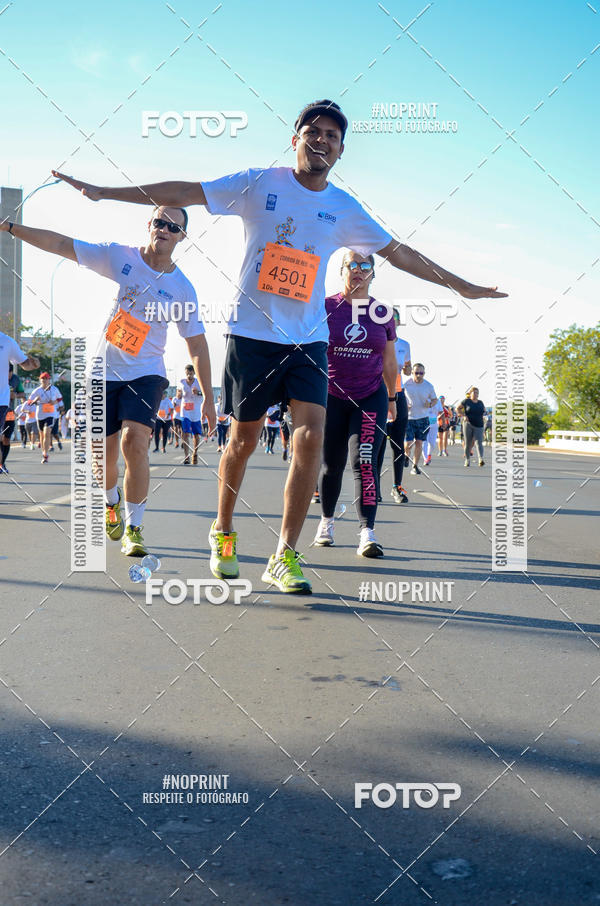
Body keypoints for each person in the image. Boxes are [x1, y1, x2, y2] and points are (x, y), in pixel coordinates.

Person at [52, 98, 506, 592]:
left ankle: (284, 554)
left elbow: (400, 253)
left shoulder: (344, 208)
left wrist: (459, 285)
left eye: (332, 135)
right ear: (296, 140)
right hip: (251, 334)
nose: (322, 140)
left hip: (309, 339)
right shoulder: (259, 182)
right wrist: (106, 192)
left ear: (341, 150)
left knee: (310, 434)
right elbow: (186, 189)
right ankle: (222, 531)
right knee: (242, 442)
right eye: (313, 131)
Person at [1, 209, 215, 555]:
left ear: (181, 237)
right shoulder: (121, 256)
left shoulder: (181, 288)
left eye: (172, 227)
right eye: (159, 222)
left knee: (136, 443)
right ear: (149, 226)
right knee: (103, 457)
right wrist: (10, 227)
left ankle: (134, 527)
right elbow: (61, 244)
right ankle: (111, 502)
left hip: (146, 374)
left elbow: (197, 343)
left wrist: (208, 396)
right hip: (102, 372)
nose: (164, 229)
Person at [314, 251, 397, 555]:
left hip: (370, 396)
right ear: (341, 270)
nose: (359, 271)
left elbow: (389, 361)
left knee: (365, 463)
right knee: (331, 465)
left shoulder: (382, 313)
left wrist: (392, 398)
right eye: (354, 266)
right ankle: (326, 522)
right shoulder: (324, 307)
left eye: (366, 267)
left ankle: (367, 532)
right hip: (331, 396)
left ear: (373, 274)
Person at [377, 309, 411, 504]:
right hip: (379, 394)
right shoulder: (377, 342)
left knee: (398, 445)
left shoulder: (405, 345)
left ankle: (397, 487)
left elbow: (407, 367)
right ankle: (374, 488)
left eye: (394, 319)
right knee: (378, 444)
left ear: (398, 322)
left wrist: (407, 369)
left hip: (398, 395)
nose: (392, 321)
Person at [404, 364, 438, 475]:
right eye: (416, 373)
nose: (419, 375)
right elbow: (399, 398)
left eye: (421, 373)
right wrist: (405, 406)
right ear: (412, 372)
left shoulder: (428, 386)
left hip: (423, 419)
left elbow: (435, 399)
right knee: (408, 443)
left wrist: (430, 404)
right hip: (409, 418)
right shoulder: (406, 385)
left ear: (424, 373)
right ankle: (406, 455)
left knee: (419, 442)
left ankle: (415, 465)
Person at [27, 373, 63, 464]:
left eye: (46, 378)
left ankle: (46, 454)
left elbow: (60, 398)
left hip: (51, 414)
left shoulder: (54, 389)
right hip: (40, 415)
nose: (44, 380)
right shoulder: (37, 390)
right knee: (42, 435)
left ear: (49, 380)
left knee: (47, 432)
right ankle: (44, 453)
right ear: (40, 380)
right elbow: (29, 401)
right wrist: (34, 401)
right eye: (42, 379)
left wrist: (54, 402)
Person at [180, 364, 204, 464]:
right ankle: (186, 456)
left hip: (196, 411)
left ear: (194, 373)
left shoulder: (199, 382)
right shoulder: (181, 382)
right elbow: (178, 393)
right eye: (187, 374)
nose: (189, 376)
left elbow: (205, 394)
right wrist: (178, 394)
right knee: (185, 433)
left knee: (196, 435)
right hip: (185, 411)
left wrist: (198, 392)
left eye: (190, 373)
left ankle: (195, 452)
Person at [458, 387, 486, 466]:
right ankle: (467, 460)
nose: (476, 394)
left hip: (479, 425)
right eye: (474, 392)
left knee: (479, 442)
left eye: (477, 393)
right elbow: (458, 409)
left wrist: (484, 414)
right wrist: (463, 415)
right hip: (468, 424)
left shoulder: (481, 402)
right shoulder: (466, 401)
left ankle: (481, 459)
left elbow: (484, 410)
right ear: (470, 394)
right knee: (468, 443)